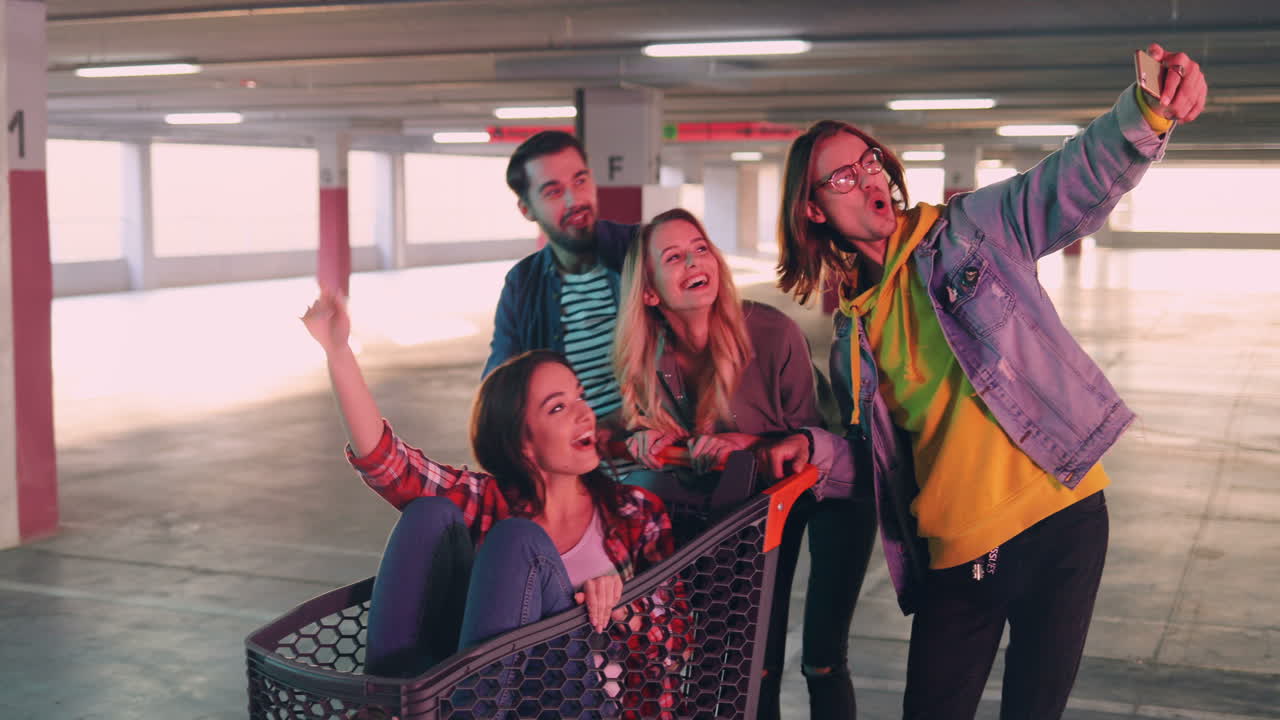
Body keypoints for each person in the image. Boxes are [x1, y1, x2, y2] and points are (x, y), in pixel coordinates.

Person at [775, 43, 1207, 719]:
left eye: (869, 162)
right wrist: (812, 452)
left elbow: (1065, 183)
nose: (867, 181)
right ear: (812, 212)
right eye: (841, 179)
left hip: (1067, 517)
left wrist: (1146, 111)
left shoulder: (970, 231)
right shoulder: (851, 338)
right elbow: (879, 466)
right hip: (965, 549)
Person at [302, 292, 674, 677]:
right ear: (522, 443)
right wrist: (337, 349)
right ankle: (387, 701)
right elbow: (388, 465)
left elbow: (676, 646)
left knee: (520, 541)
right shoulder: (486, 504)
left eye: (580, 397)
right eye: (558, 407)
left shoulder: (635, 512)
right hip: (491, 700)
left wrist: (626, 611)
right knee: (432, 514)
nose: (585, 412)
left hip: (582, 702)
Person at [614, 207, 874, 720]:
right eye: (674, 256)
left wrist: (748, 444)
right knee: (752, 661)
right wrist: (643, 437)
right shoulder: (650, 356)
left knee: (821, 659)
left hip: (831, 493)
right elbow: (643, 441)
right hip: (756, 506)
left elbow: (807, 450)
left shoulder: (772, 333)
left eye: (700, 248)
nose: (694, 260)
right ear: (649, 292)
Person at [485, 130, 638, 424]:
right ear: (526, 209)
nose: (574, 200)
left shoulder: (642, 251)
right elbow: (498, 391)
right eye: (553, 191)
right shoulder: (522, 284)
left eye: (580, 181)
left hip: (659, 457)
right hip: (574, 464)